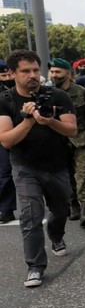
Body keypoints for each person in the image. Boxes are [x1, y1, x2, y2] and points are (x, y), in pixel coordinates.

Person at [0, 50, 78, 287]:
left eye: (35, 70)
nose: (33, 75)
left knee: (61, 210)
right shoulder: (5, 100)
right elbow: (6, 140)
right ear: (12, 73)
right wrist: (28, 120)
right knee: (31, 215)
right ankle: (35, 267)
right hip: (25, 167)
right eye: (26, 71)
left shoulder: (58, 96)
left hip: (57, 165)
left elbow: (72, 130)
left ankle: (56, 235)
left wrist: (49, 121)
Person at [48, 58, 85, 228]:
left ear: (68, 73)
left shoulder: (81, 92)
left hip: (81, 140)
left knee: (83, 175)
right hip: (58, 141)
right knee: (66, 176)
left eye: (58, 72)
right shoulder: (47, 93)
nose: (54, 75)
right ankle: (74, 205)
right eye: (52, 72)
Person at [0, 59, 16, 224]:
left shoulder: (20, 89)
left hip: (21, 133)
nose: (6, 78)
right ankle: (6, 209)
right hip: (3, 135)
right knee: (4, 172)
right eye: (3, 76)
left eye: (8, 75)